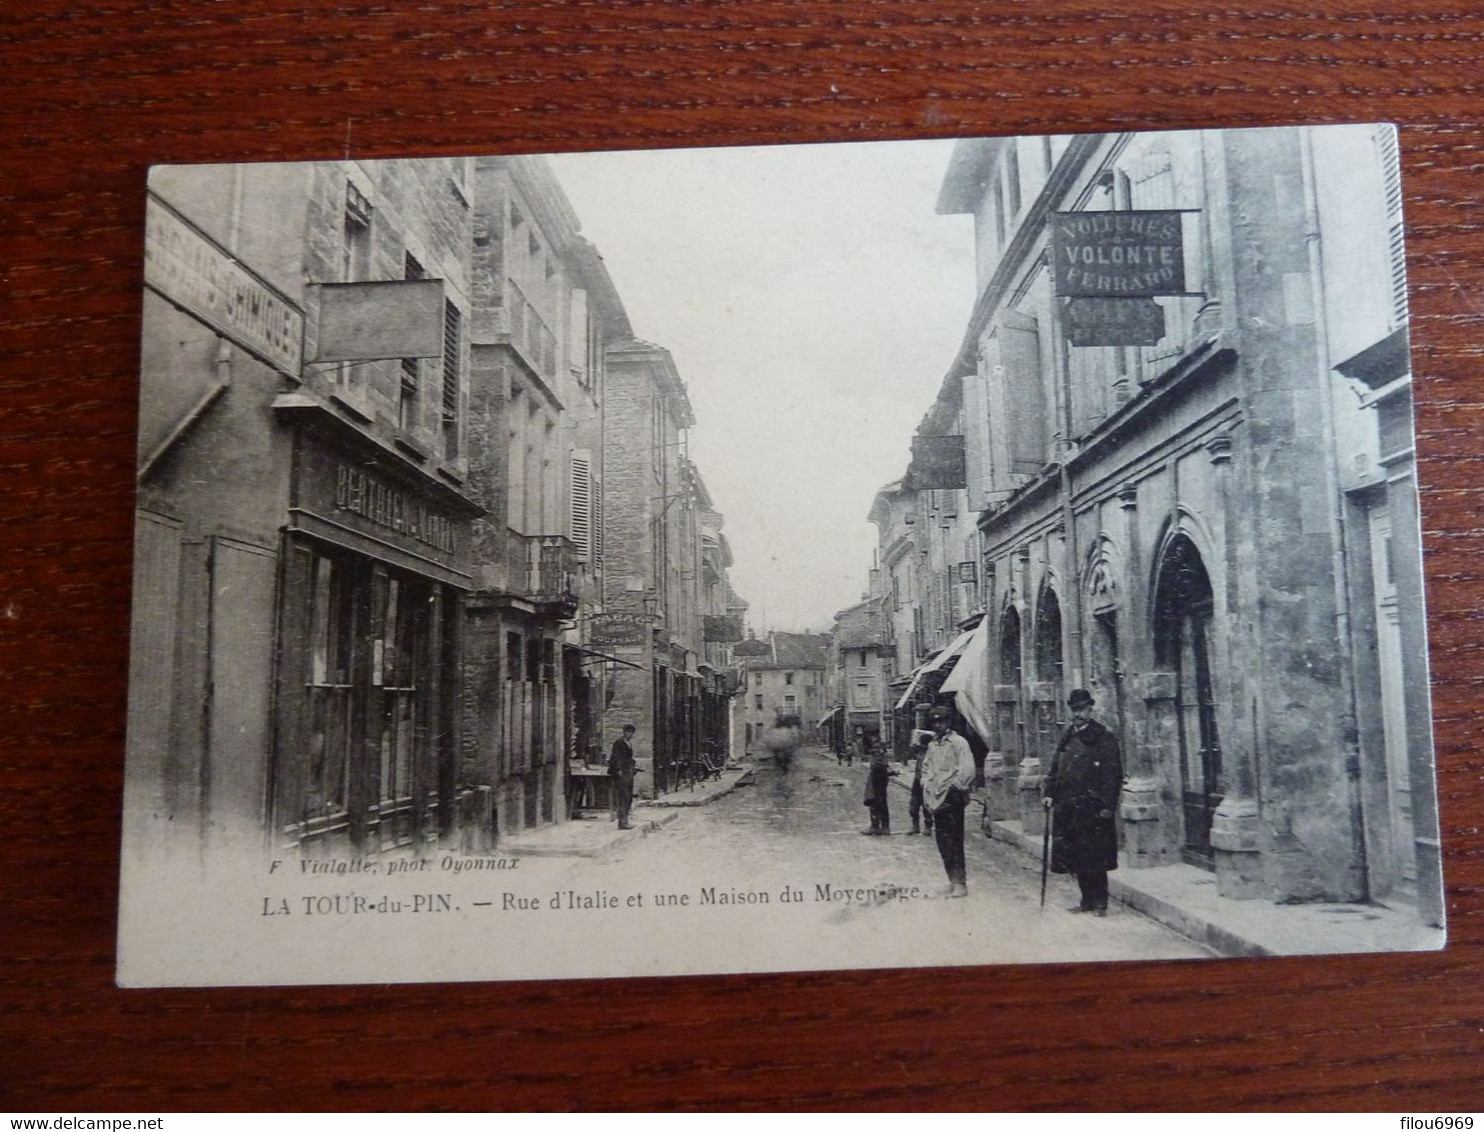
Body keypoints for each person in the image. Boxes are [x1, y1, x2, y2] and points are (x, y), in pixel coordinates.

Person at [1042, 688, 1123, 916]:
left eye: (1082, 710)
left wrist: (1108, 806)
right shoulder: (1068, 735)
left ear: (1090, 710)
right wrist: (1049, 793)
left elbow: (1113, 774)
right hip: (1068, 807)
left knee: (1095, 857)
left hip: (1093, 808)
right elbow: (1055, 768)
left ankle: (1100, 902)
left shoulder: (1103, 737)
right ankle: (1086, 900)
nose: (1078, 714)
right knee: (1077, 857)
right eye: (1074, 710)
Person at [920, 705, 976, 897]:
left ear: (948, 722)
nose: (938, 725)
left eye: (942, 721)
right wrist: (927, 784)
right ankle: (951, 880)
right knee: (942, 841)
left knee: (954, 840)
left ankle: (961, 883)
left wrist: (954, 787)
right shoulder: (933, 745)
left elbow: (967, 769)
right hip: (936, 799)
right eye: (935, 722)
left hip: (953, 799)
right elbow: (926, 768)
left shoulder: (959, 743)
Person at [608, 723, 637, 830]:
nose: (629, 734)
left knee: (628, 797)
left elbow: (628, 758)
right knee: (623, 797)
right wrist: (618, 770)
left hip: (628, 772)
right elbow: (615, 758)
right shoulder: (619, 743)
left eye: (631, 733)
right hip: (622, 774)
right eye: (627, 732)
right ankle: (622, 822)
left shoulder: (628, 743)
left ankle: (625, 820)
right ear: (624, 732)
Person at [861, 741, 894, 835]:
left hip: (877, 784)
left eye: (877, 748)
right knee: (881, 805)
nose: (875, 750)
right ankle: (884, 827)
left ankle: (876, 827)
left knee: (875, 805)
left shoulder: (879, 760)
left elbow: (880, 768)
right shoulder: (880, 759)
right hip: (878, 783)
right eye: (874, 748)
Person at [908, 729, 934, 836]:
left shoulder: (933, 753)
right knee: (914, 805)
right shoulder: (918, 751)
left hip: (927, 781)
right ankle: (915, 826)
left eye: (925, 745)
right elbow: (911, 746)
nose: (923, 747)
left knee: (926, 805)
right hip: (917, 780)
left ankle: (928, 826)